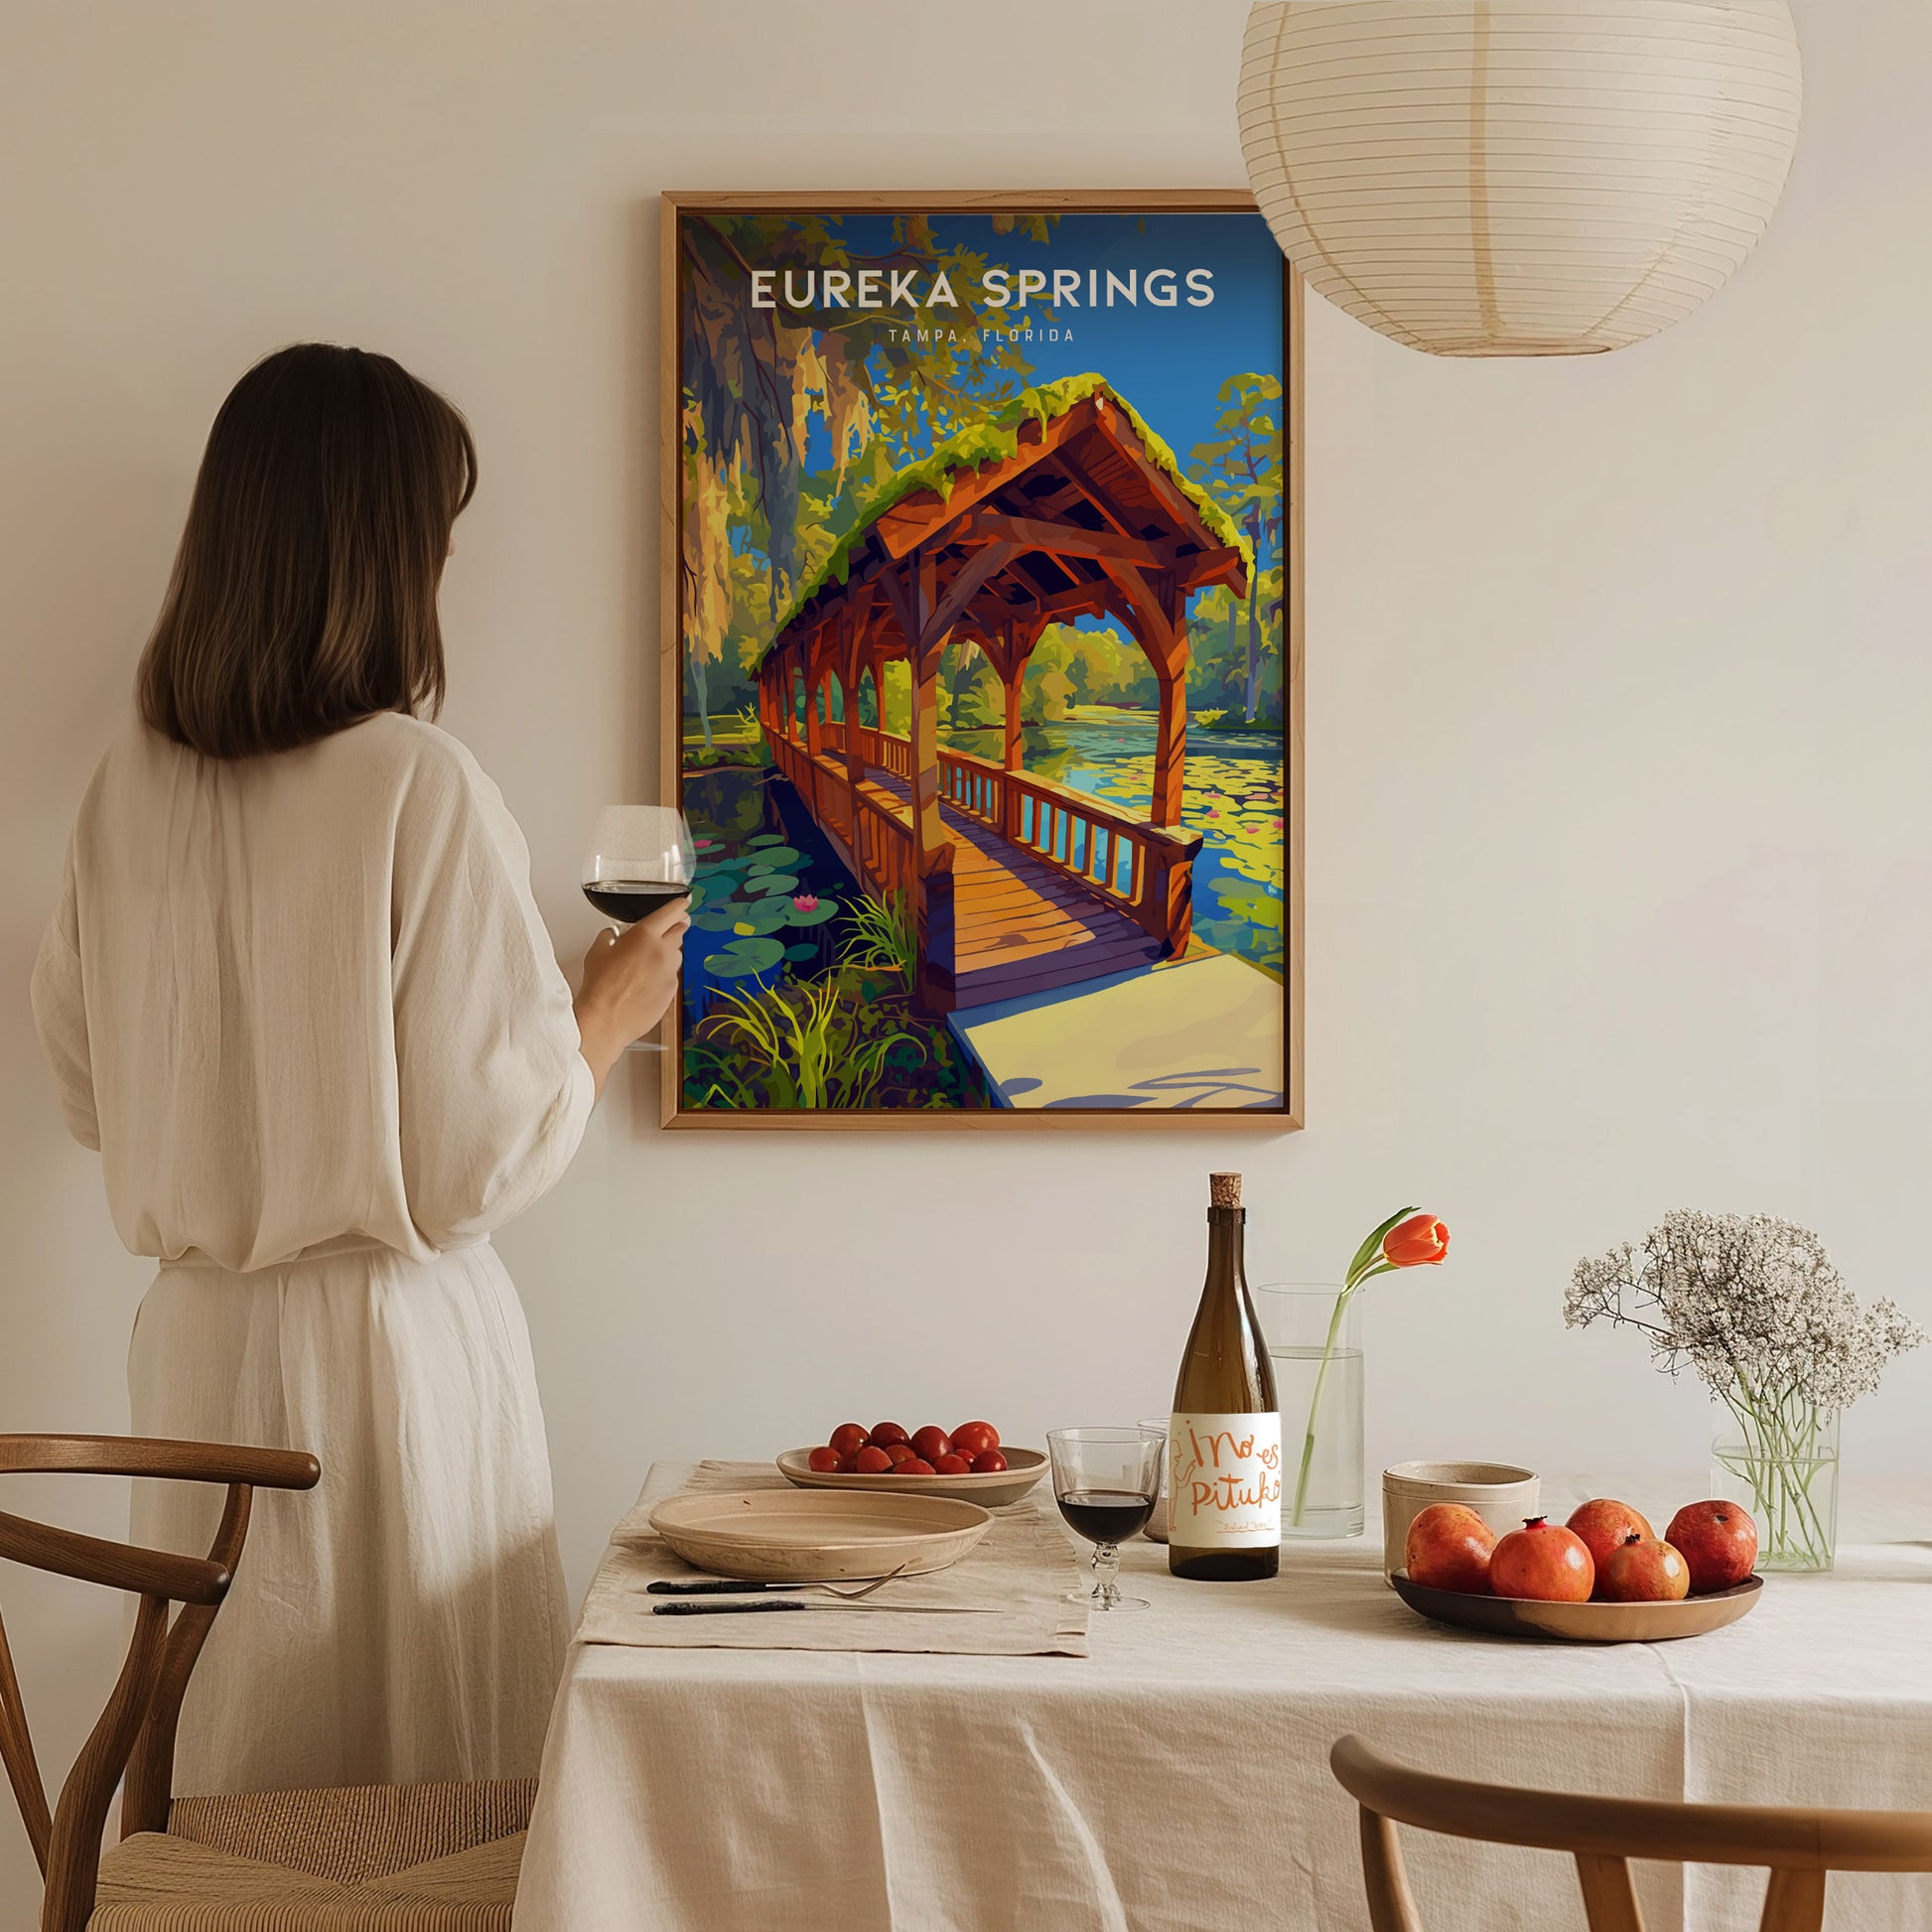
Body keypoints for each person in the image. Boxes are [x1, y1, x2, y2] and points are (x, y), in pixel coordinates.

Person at [29, 343, 686, 1793]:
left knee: (239, 1779)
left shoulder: (121, 791)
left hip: (195, 1352)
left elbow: (87, 1093)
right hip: (388, 1363)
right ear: (385, 552)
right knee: (421, 1798)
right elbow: (470, 1165)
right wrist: (602, 1013)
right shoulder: (415, 780)